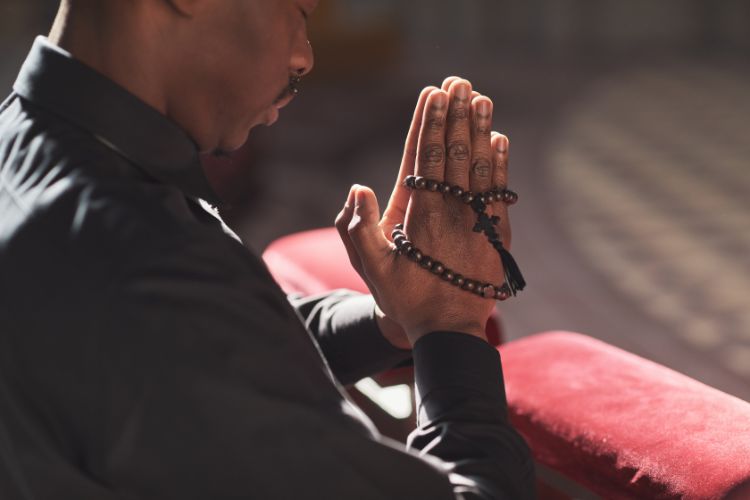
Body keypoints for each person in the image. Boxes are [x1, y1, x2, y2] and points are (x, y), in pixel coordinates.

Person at [0, 1, 535, 498]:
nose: (304, 55)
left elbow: (209, 340)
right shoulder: (141, 274)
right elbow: (174, 329)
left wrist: (388, 323)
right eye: (299, 10)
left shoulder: (24, 136)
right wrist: (454, 327)